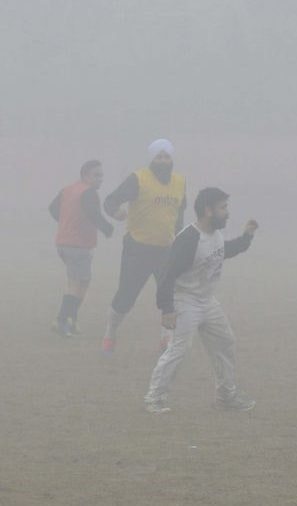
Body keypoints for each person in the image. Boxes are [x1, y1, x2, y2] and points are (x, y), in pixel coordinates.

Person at [144, 187, 257, 414]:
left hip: (207, 301)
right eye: (223, 208)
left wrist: (246, 237)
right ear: (208, 211)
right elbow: (167, 274)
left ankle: (226, 396)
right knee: (179, 349)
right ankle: (154, 398)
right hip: (185, 301)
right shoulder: (188, 239)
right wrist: (167, 308)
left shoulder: (214, 235)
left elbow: (226, 250)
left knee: (225, 342)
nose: (227, 213)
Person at [101, 139, 186, 354]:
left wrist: (181, 242)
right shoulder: (138, 179)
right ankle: (110, 332)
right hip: (137, 248)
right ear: (152, 159)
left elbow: (179, 216)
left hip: (166, 249)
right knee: (126, 296)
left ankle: (167, 340)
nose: (163, 161)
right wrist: (115, 212)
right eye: (159, 157)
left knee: (170, 297)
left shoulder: (179, 182)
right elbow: (110, 200)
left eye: (167, 157)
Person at [48, 160, 114, 337]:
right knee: (76, 284)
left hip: (63, 243)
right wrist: (108, 228)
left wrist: (66, 223)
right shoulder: (89, 192)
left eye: (101, 175)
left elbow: (53, 209)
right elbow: (94, 214)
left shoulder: (68, 190)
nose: (100, 179)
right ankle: (61, 320)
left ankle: (72, 319)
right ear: (85, 176)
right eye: (96, 175)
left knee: (82, 282)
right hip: (78, 245)